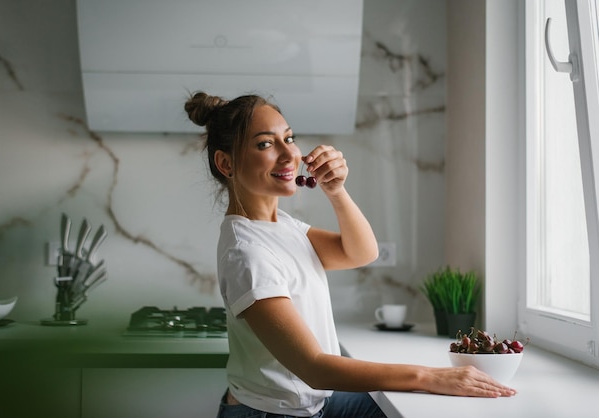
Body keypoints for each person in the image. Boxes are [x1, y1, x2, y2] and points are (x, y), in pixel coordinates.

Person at [184, 91, 516, 418]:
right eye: (265, 144)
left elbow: (360, 252)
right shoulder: (247, 252)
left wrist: (336, 190)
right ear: (226, 163)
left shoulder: (280, 226)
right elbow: (315, 369)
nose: (290, 155)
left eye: (289, 138)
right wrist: (428, 376)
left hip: (311, 404)